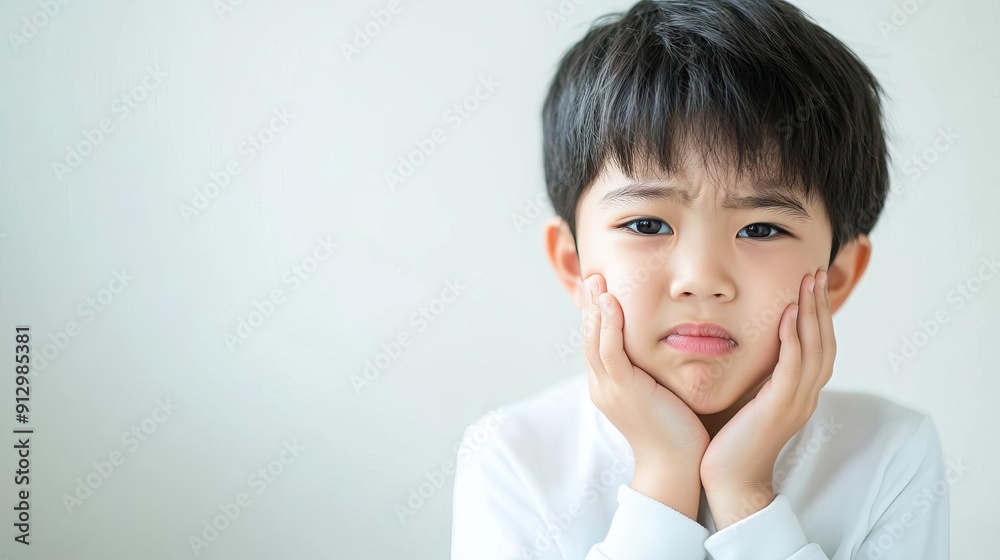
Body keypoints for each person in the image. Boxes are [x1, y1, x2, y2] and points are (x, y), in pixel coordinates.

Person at [450, 1, 950, 558]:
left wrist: (745, 492)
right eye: (647, 223)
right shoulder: (512, 457)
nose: (701, 280)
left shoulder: (890, 453)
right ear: (573, 264)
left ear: (834, 279)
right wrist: (665, 479)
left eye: (762, 228)